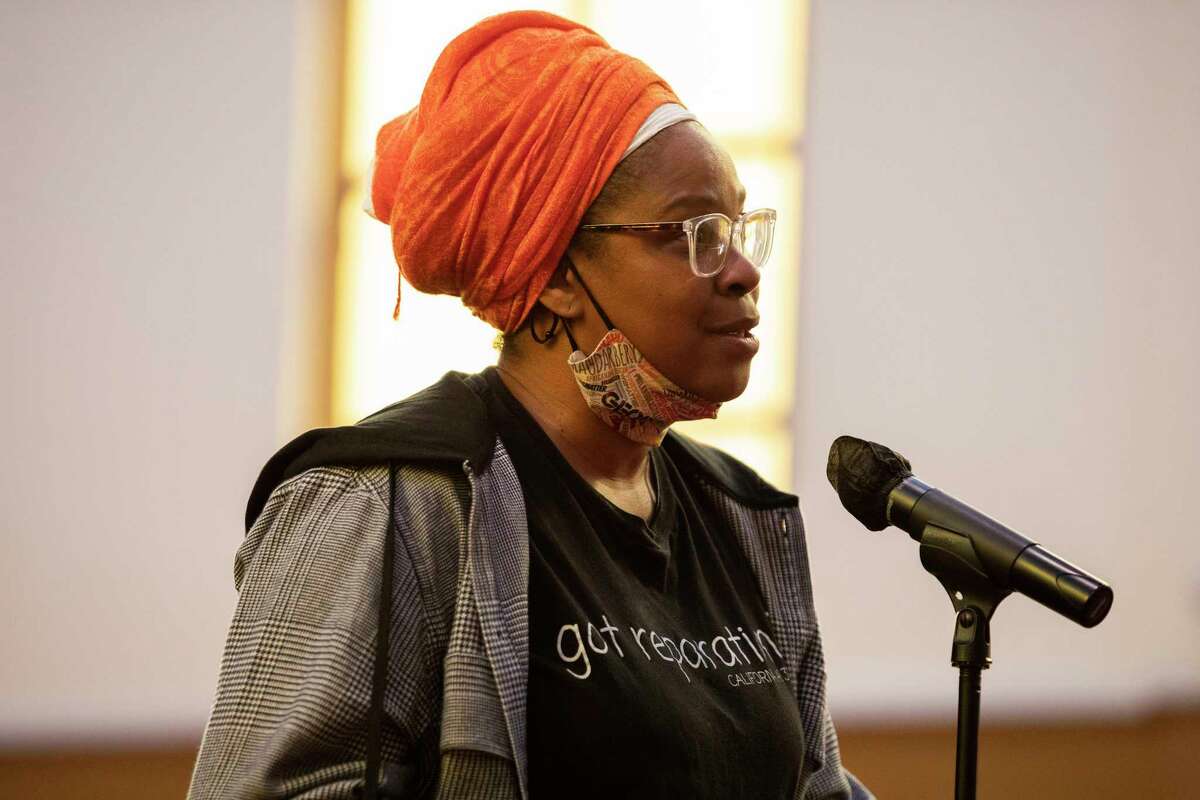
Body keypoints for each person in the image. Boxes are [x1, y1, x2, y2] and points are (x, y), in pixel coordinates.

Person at [188, 10, 872, 800]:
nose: (743, 273)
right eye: (690, 232)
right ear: (551, 272)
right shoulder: (388, 506)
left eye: (738, 229)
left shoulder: (742, 519)